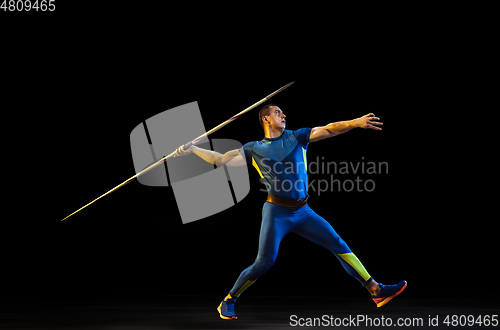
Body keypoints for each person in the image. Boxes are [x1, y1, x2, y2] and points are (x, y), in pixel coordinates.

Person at [175, 104, 406, 320]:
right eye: (278, 112)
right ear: (265, 118)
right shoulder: (253, 148)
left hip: (304, 212)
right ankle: (228, 299)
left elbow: (328, 129)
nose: (283, 115)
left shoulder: (297, 137)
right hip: (276, 213)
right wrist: (193, 149)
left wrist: (355, 122)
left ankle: (375, 290)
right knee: (264, 262)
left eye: (283, 113)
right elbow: (221, 159)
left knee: (339, 244)